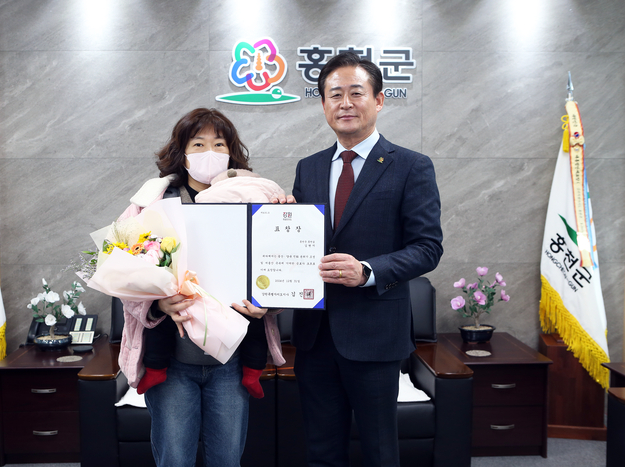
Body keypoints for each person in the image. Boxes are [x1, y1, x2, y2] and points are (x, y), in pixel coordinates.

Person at [289, 52, 443, 466]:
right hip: (315, 335)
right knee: (321, 451)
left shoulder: (411, 166)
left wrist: (368, 271)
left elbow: (428, 247)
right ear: (323, 104)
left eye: (356, 93)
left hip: (375, 335)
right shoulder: (308, 168)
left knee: (379, 451)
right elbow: (301, 240)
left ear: (378, 100)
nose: (345, 103)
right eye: (334, 94)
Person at [118, 108, 284, 467]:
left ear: (231, 152)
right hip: (172, 363)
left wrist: (268, 302)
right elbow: (122, 276)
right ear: (181, 152)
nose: (210, 152)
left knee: (227, 459)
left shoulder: (258, 201)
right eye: (198, 144)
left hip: (232, 363)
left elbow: (281, 268)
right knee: (174, 460)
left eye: (219, 144)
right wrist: (157, 306)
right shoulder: (151, 205)